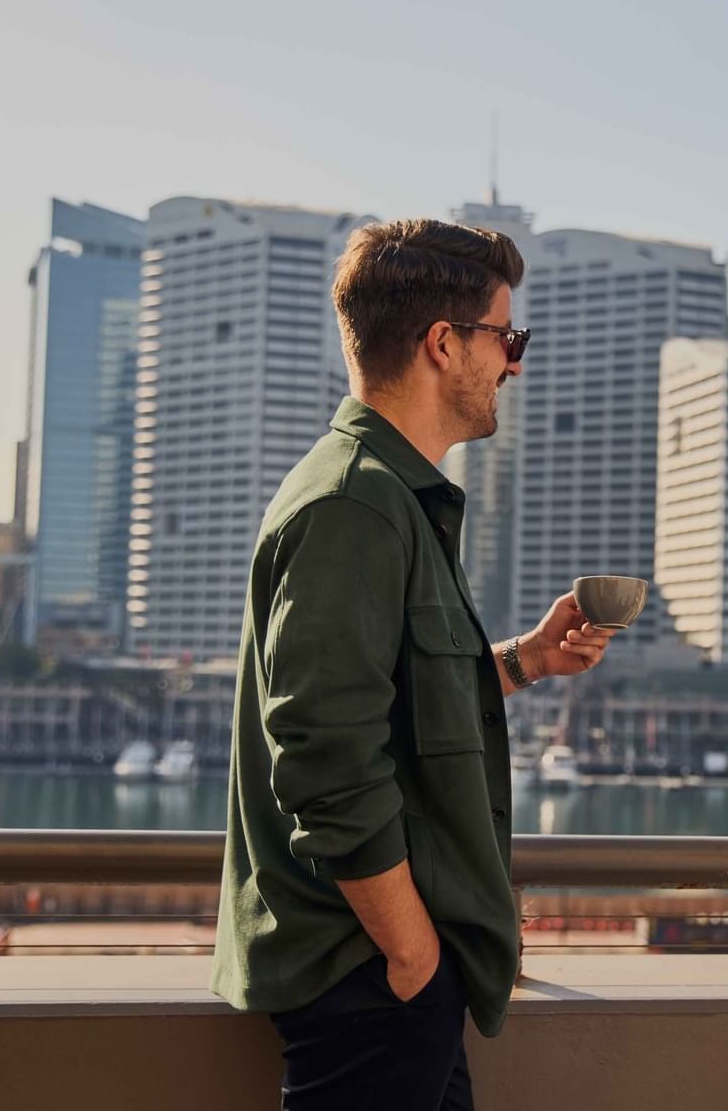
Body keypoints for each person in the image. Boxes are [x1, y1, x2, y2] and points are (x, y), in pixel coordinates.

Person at [211, 218, 616, 1111]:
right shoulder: (354, 504)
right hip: (367, 976)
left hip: (387, 978)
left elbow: (393, 699)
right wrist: (411, 954)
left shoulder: (389, 496)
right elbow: (326, 758)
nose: (515, 364)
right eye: (508, 338)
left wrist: (525, 660)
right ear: (444, 343)